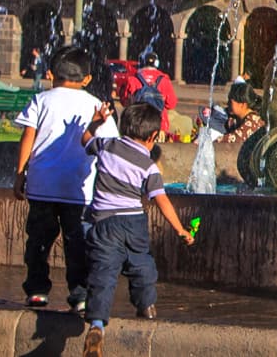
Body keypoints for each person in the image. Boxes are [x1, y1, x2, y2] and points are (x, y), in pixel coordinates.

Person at [78, 100, 196, 356]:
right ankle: (146, 306)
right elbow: (161, 200)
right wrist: (180, 229)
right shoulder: (149, 166)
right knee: (142, 265)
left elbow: (85, 138)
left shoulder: (107, 145)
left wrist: (97, 121)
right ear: (153, 136)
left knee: (103, 273)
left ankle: (97, 325)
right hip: (133, 223)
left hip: (103, 223)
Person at [15, 48, 106, 312]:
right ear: (86, 79)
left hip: (42, 186)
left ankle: (37, 290)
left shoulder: (40, 100)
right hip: (78, 190)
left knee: (38, 241)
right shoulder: (94, 104)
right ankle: (79, 294)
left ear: (52, 73)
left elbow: (27, 138)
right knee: (77, 242)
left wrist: (20, 173)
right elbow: (105, 146)